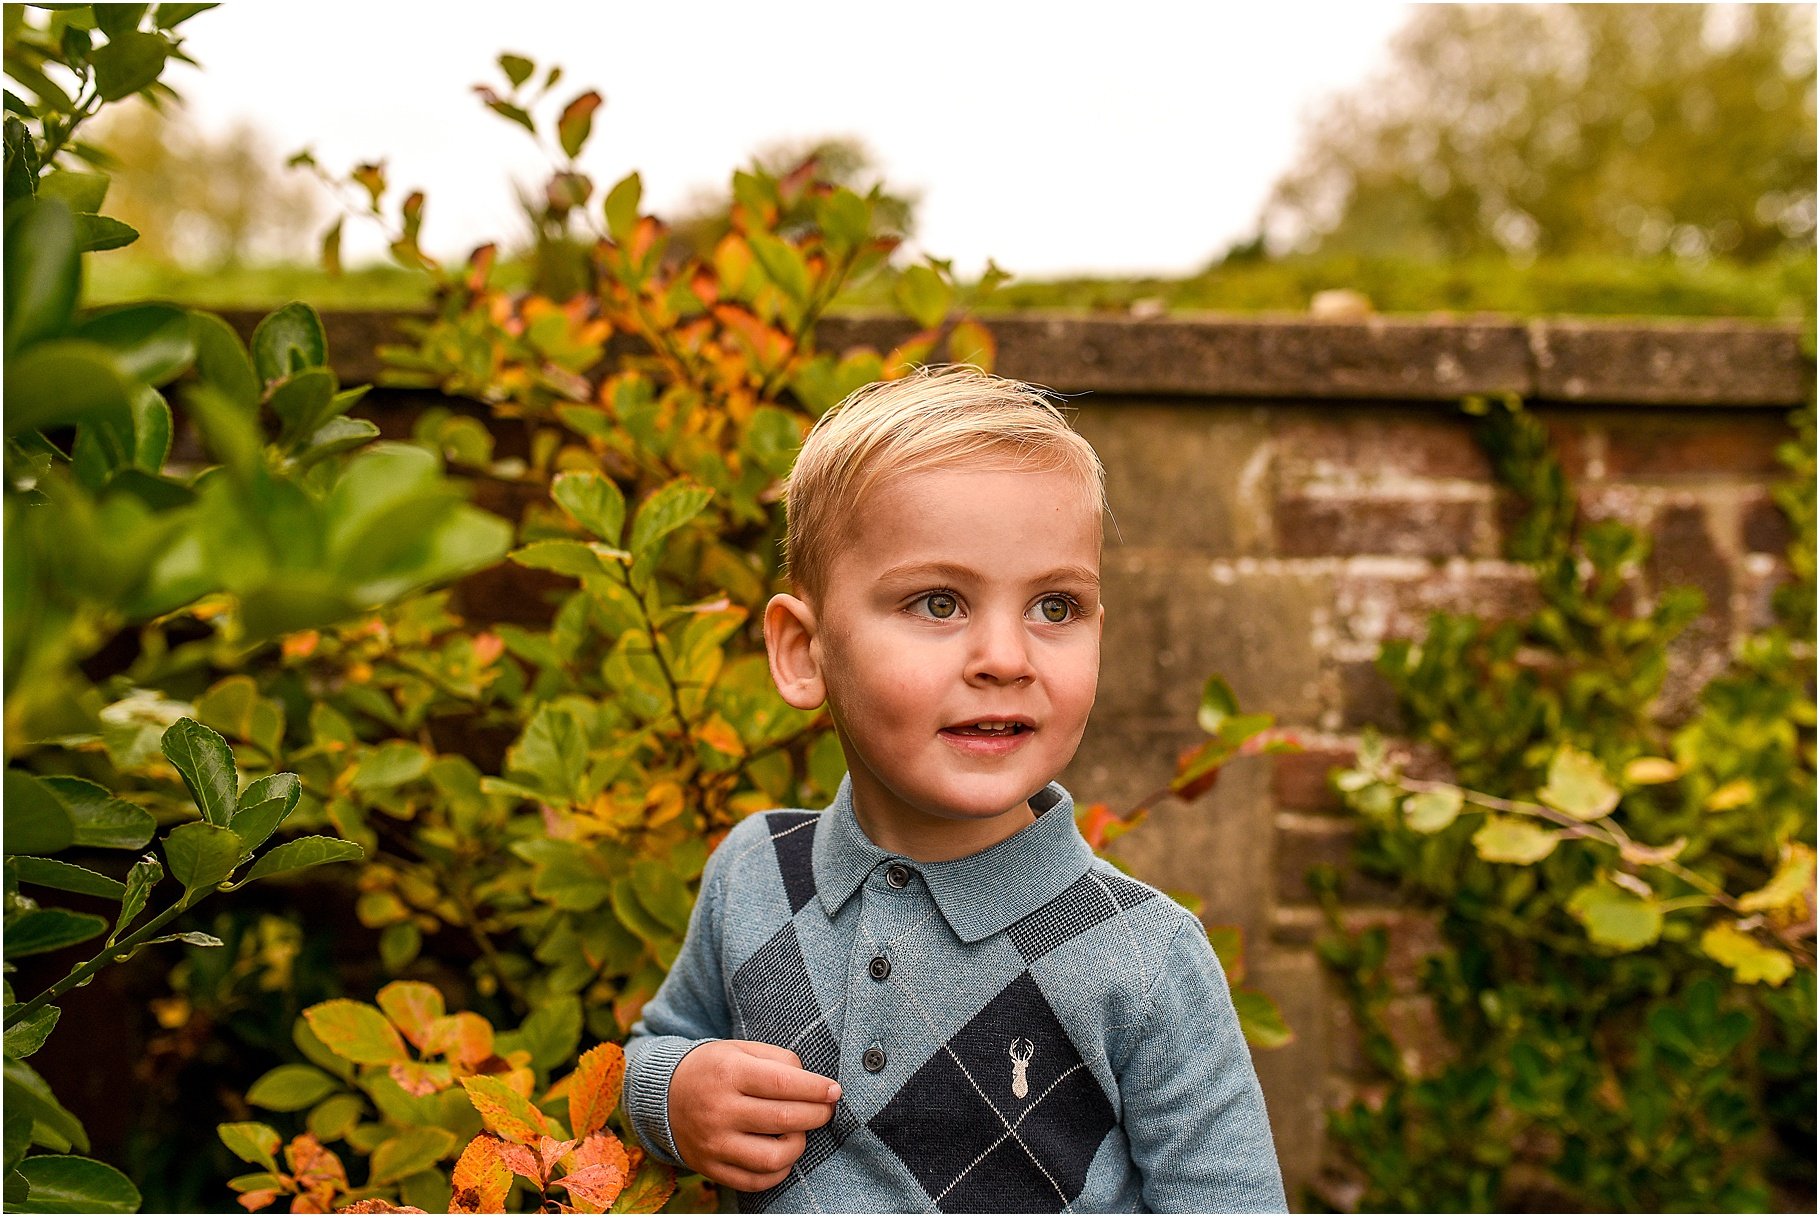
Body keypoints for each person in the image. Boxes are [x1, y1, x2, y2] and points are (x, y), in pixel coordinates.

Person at [622, 366, 1286, 1212]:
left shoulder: (1145, 958)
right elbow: (660, 1041)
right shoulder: (755, 871)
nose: (1007, 657)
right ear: (802, 651)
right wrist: (672, 1097)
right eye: (939, 601)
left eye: (1055, 606)